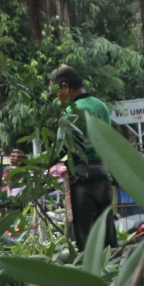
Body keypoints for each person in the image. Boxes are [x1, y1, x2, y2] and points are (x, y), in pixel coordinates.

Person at [49, 65, 118, 251]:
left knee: (85, 248)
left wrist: (27, 161)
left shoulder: (71, 111)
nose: (57, 99)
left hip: (83, 186)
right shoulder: (100, 106)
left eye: (56, 93)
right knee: (108, 245)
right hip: (104, 182)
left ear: (65, 87)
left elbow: (58, 151)